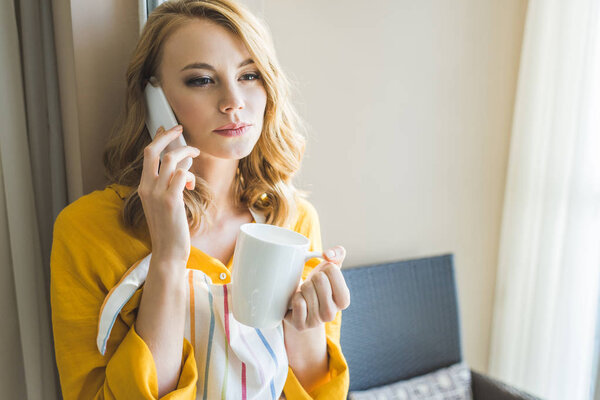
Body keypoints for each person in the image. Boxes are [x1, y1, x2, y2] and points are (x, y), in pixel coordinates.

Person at [50, 0, 351, 398]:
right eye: (202, 80)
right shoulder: (87, 231)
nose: (233, 101)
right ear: (154, 97)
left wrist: (307, 328)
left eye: (249, 75)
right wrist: (169, 258)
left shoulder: (293, 220)